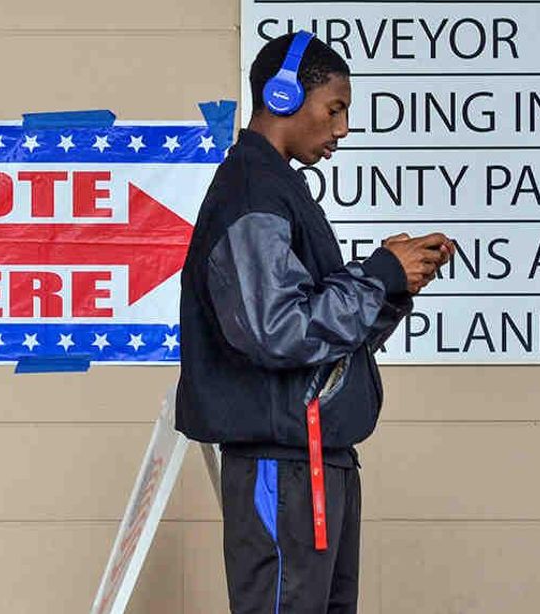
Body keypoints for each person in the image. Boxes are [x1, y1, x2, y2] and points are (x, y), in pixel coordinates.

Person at [176, 31, 453, 613]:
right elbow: (277, 330)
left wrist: (392, 286)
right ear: (281, 97)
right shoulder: (251, 193)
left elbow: (324, 335)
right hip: (284, 465)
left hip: (317, 460)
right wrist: (378, 276)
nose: (343, 129)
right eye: (335, 109)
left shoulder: (279, 189)